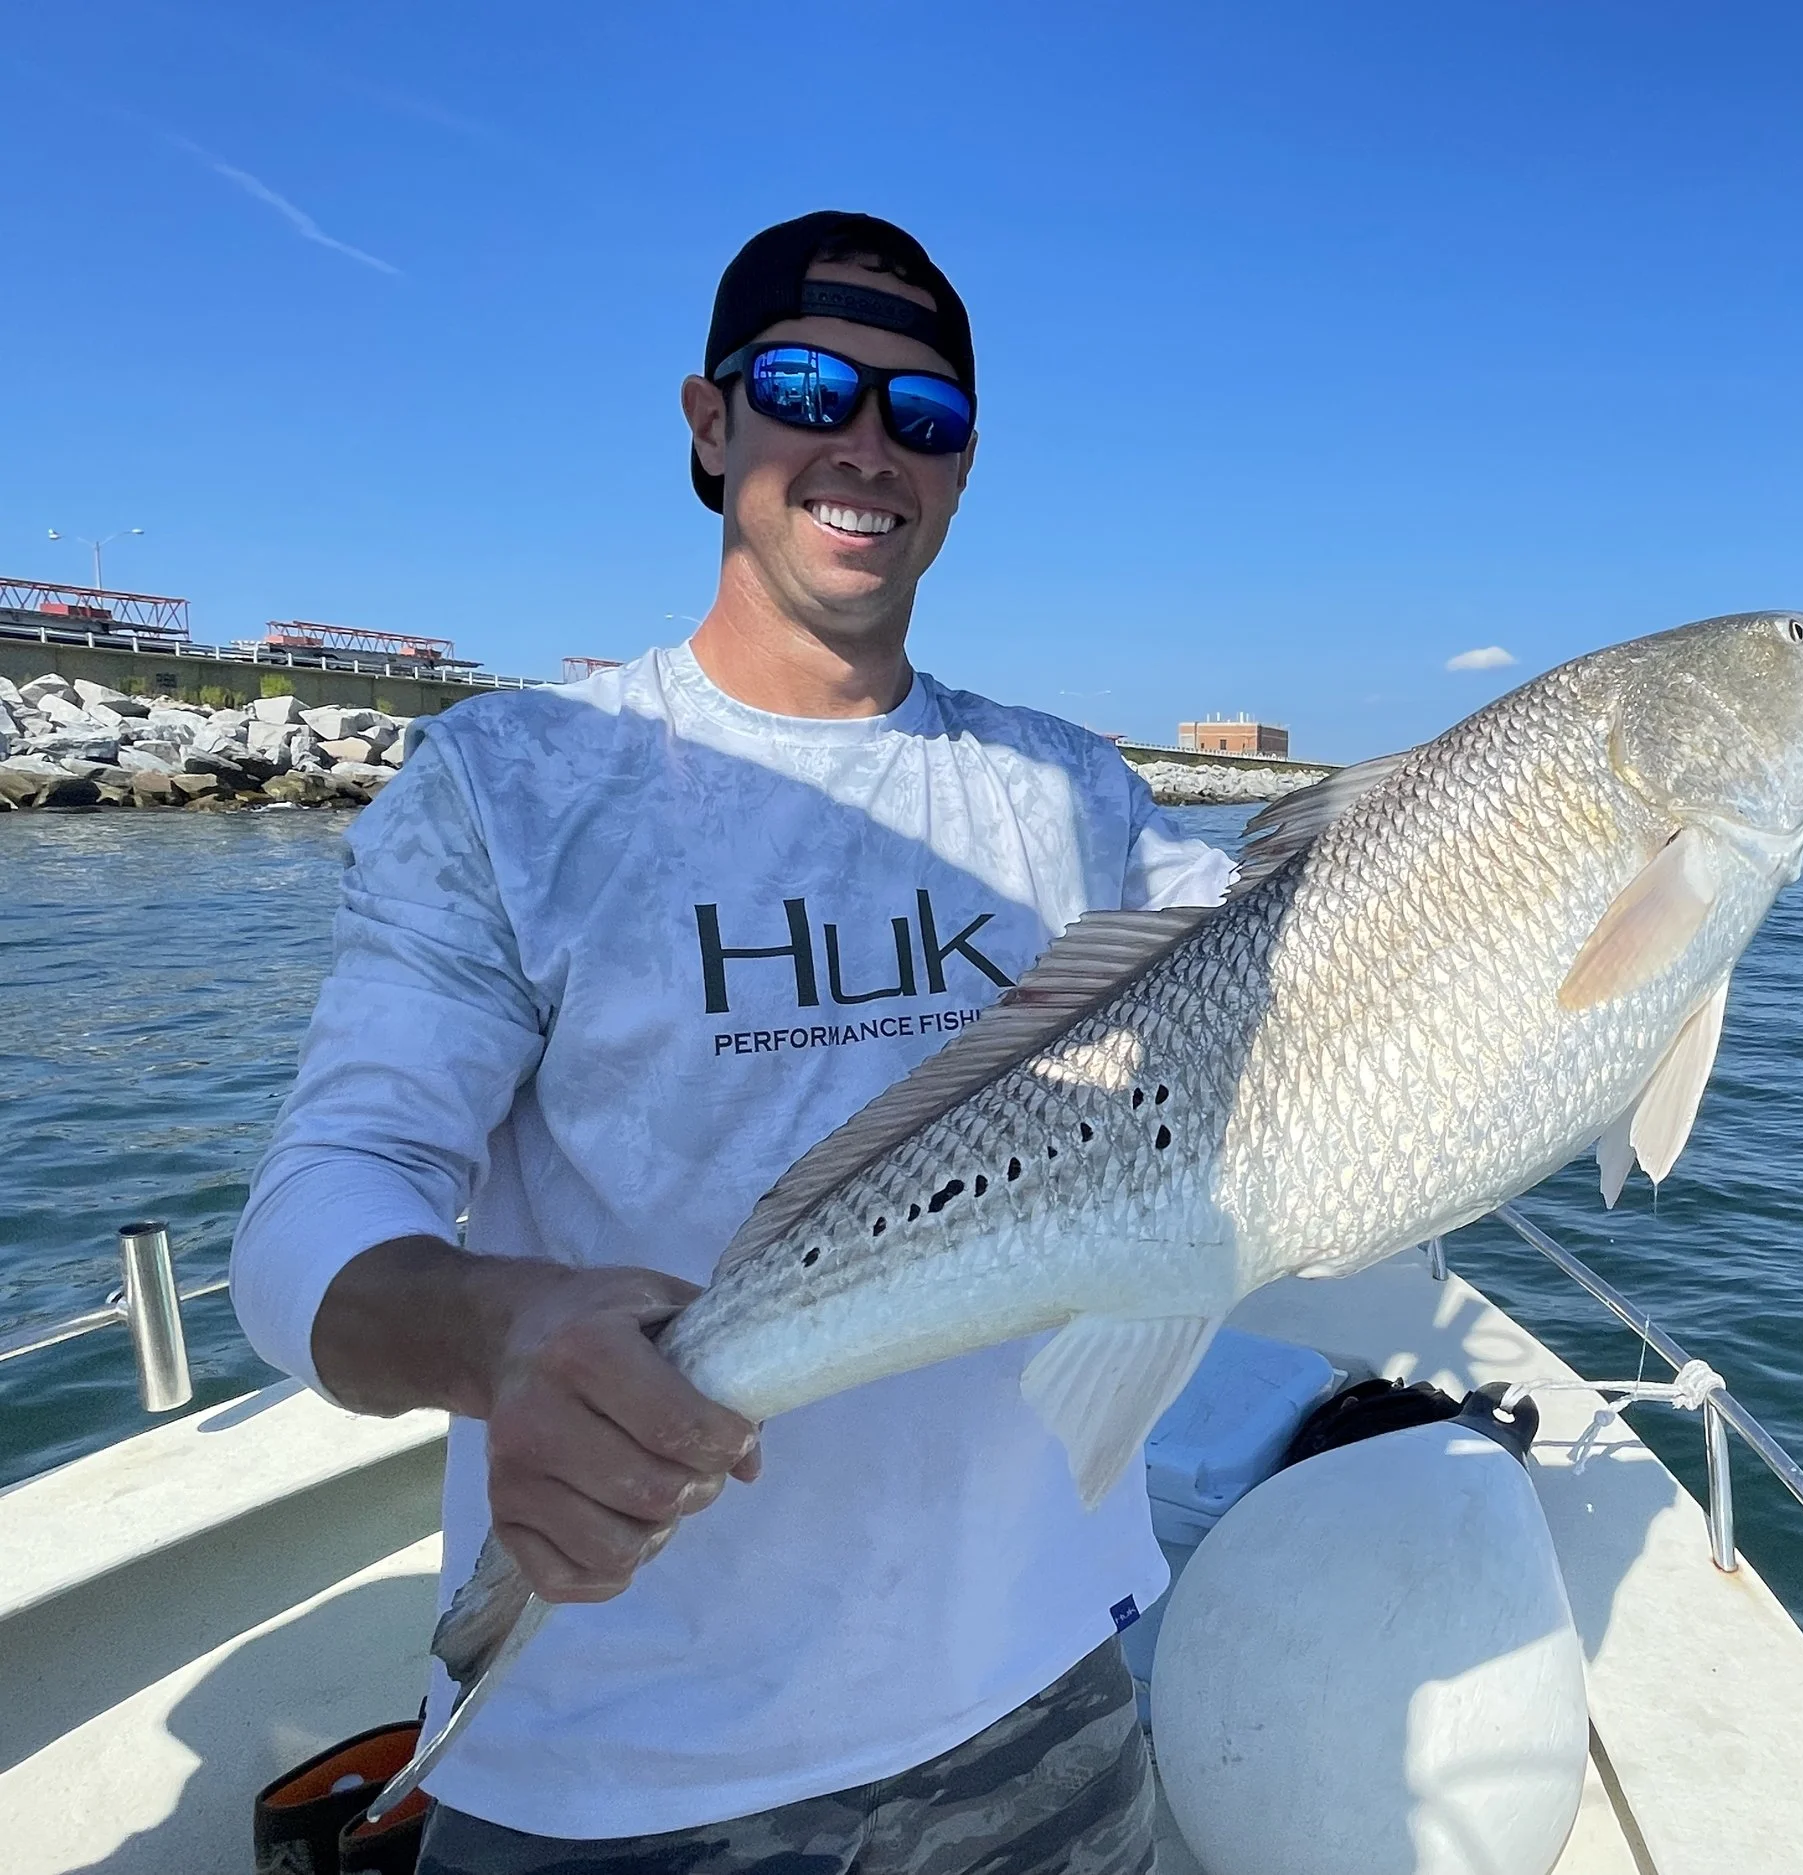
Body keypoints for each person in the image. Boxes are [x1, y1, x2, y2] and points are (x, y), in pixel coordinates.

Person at [231, 210, 1232, 1875]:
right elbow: (317, 1209)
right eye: (810, 386)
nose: (868, 447)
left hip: (1046, 1692)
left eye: (925, 415)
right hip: (623, 1770)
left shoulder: (1085, 796)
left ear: (966, 468)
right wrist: (504, 1331)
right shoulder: (516, 780)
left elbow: (1303, 980)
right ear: (712, 422)